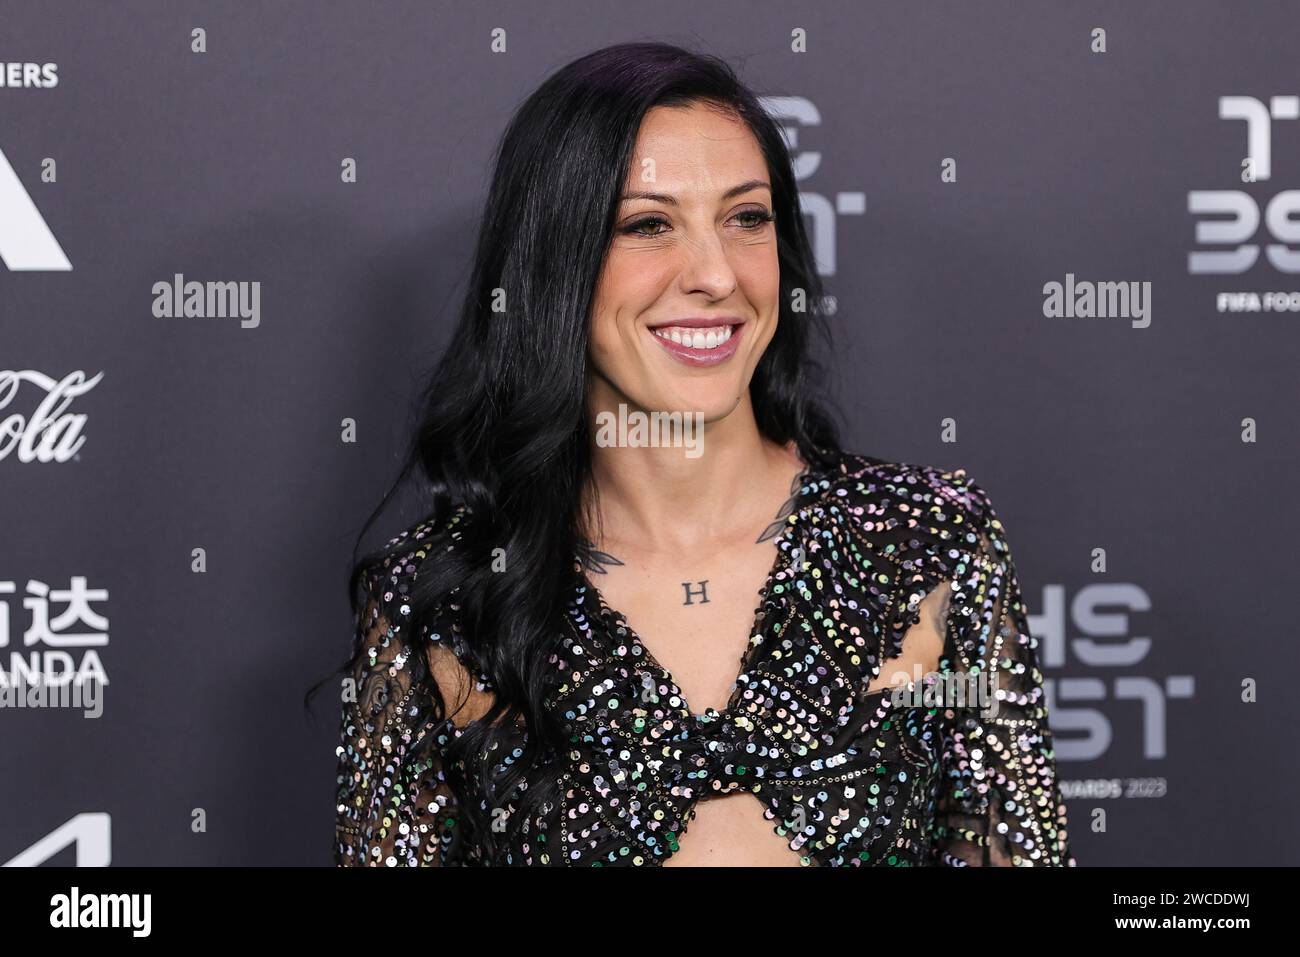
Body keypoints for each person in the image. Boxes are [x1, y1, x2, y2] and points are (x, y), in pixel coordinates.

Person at [330, 41, 1074, 867]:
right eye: (648, 224)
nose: (717, 274)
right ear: (554, 266)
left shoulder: (930, 539)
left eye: (746, 218)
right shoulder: (441, 602)